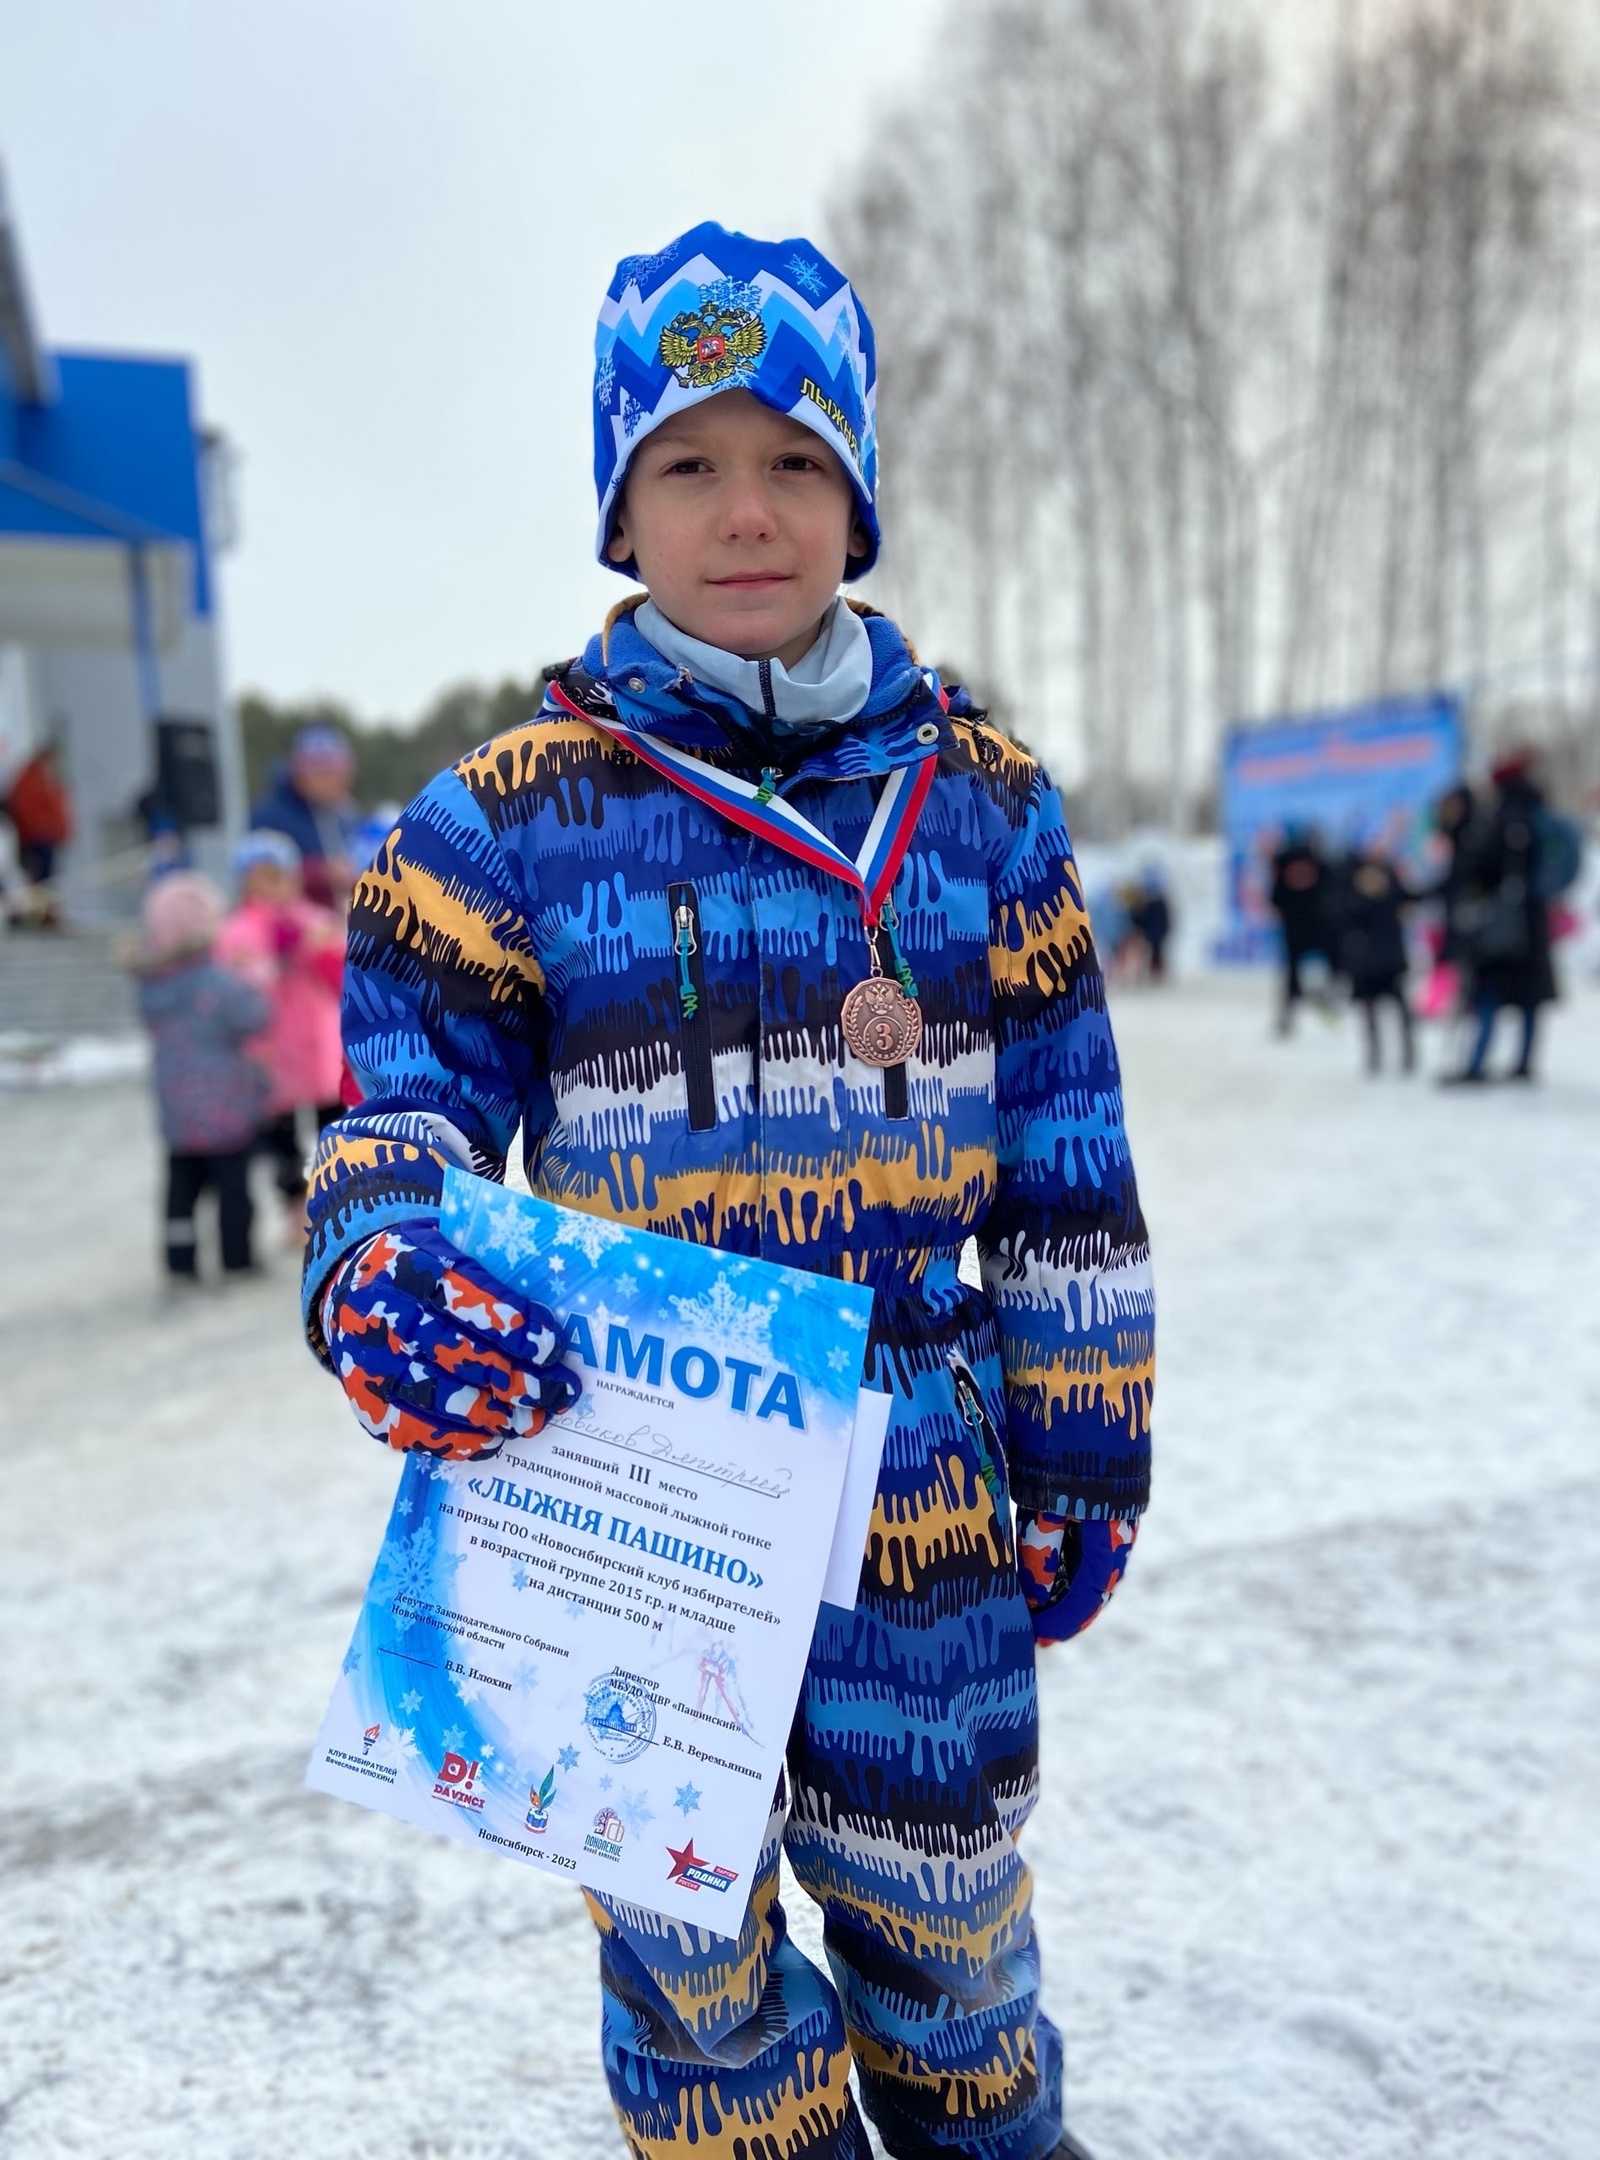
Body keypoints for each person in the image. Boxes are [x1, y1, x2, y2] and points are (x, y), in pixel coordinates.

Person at [300, 224, 1152, 2160]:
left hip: (915, 1472)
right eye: (687, 464)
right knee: (684, 1946)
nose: (745, 511)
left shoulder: (985, 808)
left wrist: (1086, 1444)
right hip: (626, 1469)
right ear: (621, 514)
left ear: (859, 499)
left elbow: (1068, 1163)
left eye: (793, 461)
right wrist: (381, 1260)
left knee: (947, 1903)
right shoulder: (499, 822)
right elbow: (402, 1108)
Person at [131, 871, 270, 1282]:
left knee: (180, 1187)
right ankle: (236, 1256)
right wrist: (251, 977)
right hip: (224, 1101)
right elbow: (254, 1016)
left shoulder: (151, 983)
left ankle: (180, 1259)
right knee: (232, 1185)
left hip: (175, 1101)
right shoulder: (217, 980)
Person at [216, 830, 347, 1239]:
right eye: (265, 876)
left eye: (282, 875)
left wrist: (320, 952)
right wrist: (278, 959)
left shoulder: (314, 920)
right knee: (282, 1138)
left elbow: (343, 977)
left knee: (332, 1130)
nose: (276, 886)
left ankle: (335, 1201)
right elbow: (238, 987)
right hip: (273, 1049)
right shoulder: (239, 931)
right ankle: (294, 1206)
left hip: (320, 1047)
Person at [1445, 751, 1557, 1085]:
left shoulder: (1501, 820)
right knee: (1529, 998)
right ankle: (1524, 1062)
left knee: (1487, 992)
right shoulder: (1539, 817)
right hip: (1531, 921)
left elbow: (1478, 869)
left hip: (1500, 925)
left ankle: (1476, 1063)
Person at [250, 723, 359, 909]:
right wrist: (322, 872)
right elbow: (258, 877)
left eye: (338, 773)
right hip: (287, 919)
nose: (332, 782)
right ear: (299, 772)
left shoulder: (344, 813)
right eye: (322, 774)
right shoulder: (270, 814)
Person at [1338, 851, 1415, 1073]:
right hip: (1367, 965)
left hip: (1389, 962)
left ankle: (1407, 1052)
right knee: (1370, 1011)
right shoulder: (1354, 899)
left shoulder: (1392, 894)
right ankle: (1375, 1054)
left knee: (1399, 1009)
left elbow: (1411, 900)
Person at [1269, 827, 1335, 1032]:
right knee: (1326, 967)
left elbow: (1275, 898)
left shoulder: (1284, 862)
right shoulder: (1319, 863)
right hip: (1312, 924)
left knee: (1293, 974)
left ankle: (1291, 1014)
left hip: (1299, 925)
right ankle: (1309, 1006)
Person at [3, 740, 74, 924]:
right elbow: (26, 810)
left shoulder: (46, 778)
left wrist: (60, 830)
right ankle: (38, 915)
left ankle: (45, 914)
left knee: (47, 879)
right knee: (40, 879)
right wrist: (41, 829)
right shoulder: (31, 779)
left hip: (47, 838)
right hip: (37, 839)